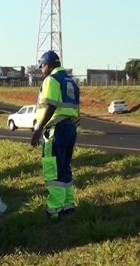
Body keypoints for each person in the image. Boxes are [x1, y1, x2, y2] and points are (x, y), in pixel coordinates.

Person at [30, 50, 80, 219]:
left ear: (48, 65)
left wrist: (38, 129)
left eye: (42, 66)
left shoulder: (51, 80)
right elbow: (75, 108)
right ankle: (68, 205)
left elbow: (50, 106)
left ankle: (55, 209)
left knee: (53, 170)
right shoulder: (70, 81)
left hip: (56, 130)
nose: (41, 70)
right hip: (70, 128)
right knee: (65, 167)